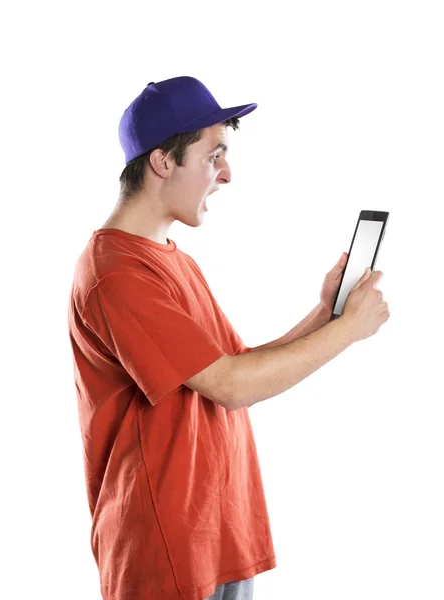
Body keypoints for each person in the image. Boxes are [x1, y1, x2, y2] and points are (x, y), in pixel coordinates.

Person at [67, 76, 389, 600]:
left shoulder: (170, 259)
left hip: (215, 534)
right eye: (214, 155)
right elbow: (232, 386)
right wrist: (349, 333)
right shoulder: (117, 273)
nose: (227, 173)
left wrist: (327, 314)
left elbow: (233, 365)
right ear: (163, 162)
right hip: (165, 552)